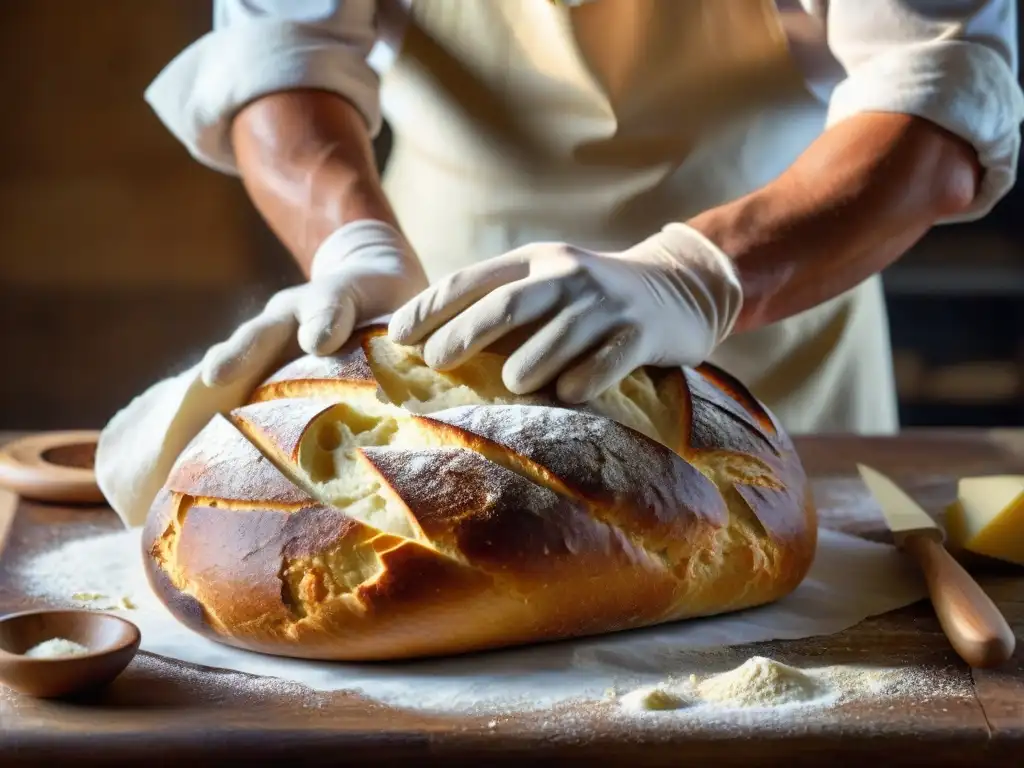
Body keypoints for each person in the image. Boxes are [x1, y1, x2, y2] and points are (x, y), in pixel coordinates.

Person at [98, 0, 1023, 526]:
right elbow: (278, 58)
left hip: (769, 348)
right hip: (436, 334)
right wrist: (353, 242)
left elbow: (938, 110)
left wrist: (692, 277)